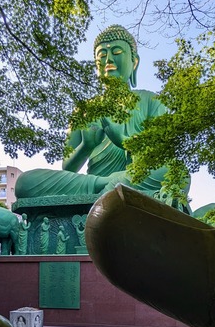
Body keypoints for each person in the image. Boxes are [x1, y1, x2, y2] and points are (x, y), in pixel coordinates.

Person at [14, 25, 190, 204]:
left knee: (177, 173)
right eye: (102, 55)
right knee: (24, 183)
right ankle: (111, 186)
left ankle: (112, 189)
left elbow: (159, 156)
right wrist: (85, 146)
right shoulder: (83, 110)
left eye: (117, 51)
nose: (109, 60)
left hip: (137, 178)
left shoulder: (151, 101)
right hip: (92, 183)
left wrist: (123, 140)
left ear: (134, 61)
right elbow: (68, 168)